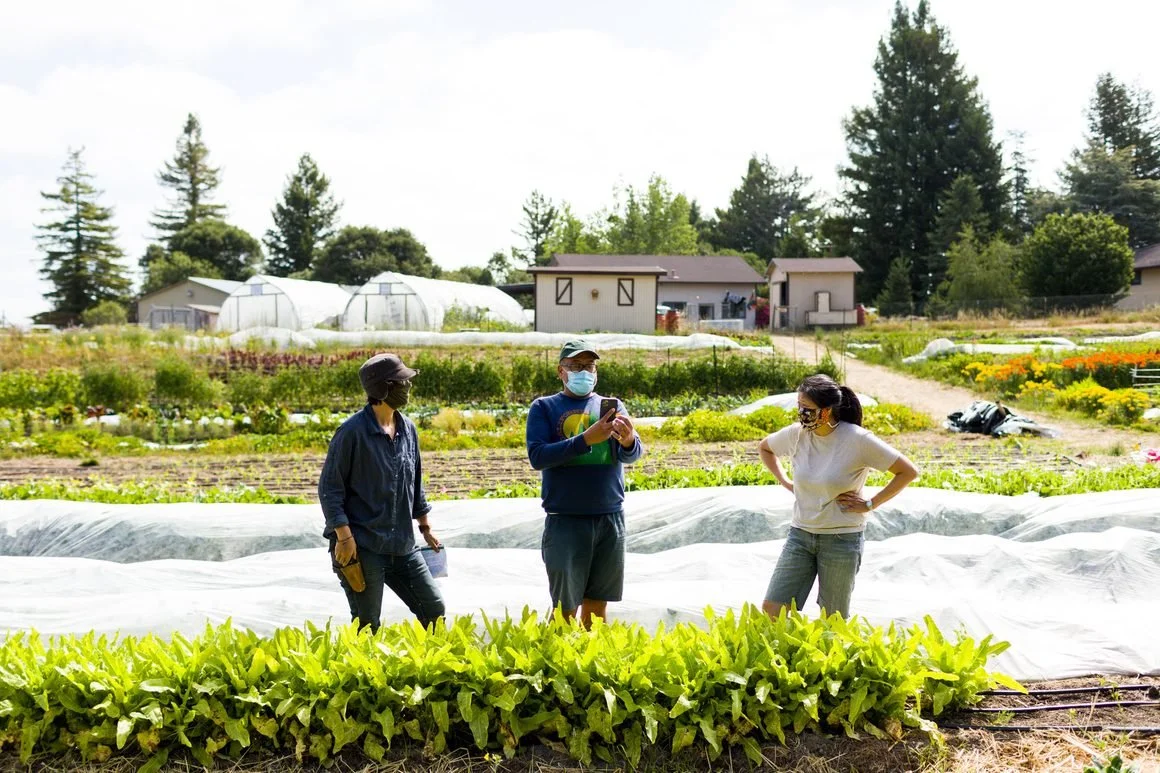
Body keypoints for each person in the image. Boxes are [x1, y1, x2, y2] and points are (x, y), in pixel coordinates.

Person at [757, 374, 918, 619]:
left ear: (827, 410)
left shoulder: (857, 439)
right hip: (800, 535)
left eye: (808, 409)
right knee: (773, 609)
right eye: (799, 407)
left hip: (841, 539)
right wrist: (787, 483)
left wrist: (870, 503)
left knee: (832, 619)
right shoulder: (797, 434)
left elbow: (907, 471)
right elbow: (765, 448)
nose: (802, 413)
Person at [318, 353, 445, 631]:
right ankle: (363, 673)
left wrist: (424, 526)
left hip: (402, 545)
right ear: (382, 388)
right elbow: (330, 489)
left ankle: (430, 671)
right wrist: (345, 538)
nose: (407, 387)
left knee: (434, 610)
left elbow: (415, 480)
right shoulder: (351, 433)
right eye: (401, 382)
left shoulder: (408, 429)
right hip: (363, 545)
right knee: (367, 624)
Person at [526, 339, 644, 627]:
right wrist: (585, 439)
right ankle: (560, 667)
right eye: (575, 366)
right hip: (567, 519)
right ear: (560, 371)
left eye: (589, 366)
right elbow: (538, 456)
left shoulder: (613, 406)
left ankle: (591, 667)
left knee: (597, 608)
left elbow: (633, 453)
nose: (584, 372)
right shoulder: (544, 407)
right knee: (565, 610)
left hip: (609, 517)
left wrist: (628, 440)